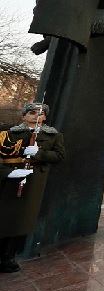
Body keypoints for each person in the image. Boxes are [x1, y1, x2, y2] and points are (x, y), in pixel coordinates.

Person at [0, 103, 65, 273]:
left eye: (41, 113)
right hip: (9, 178)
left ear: (45, 117)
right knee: (4, 215)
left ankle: (9, 256)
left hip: (33, 180)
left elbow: (59, 155)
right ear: (24, 116)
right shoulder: (10, 133)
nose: (36, 116)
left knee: (22, 218)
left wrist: (38, 153)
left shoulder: (53, 135)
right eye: (32, 112)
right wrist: (7, 173)